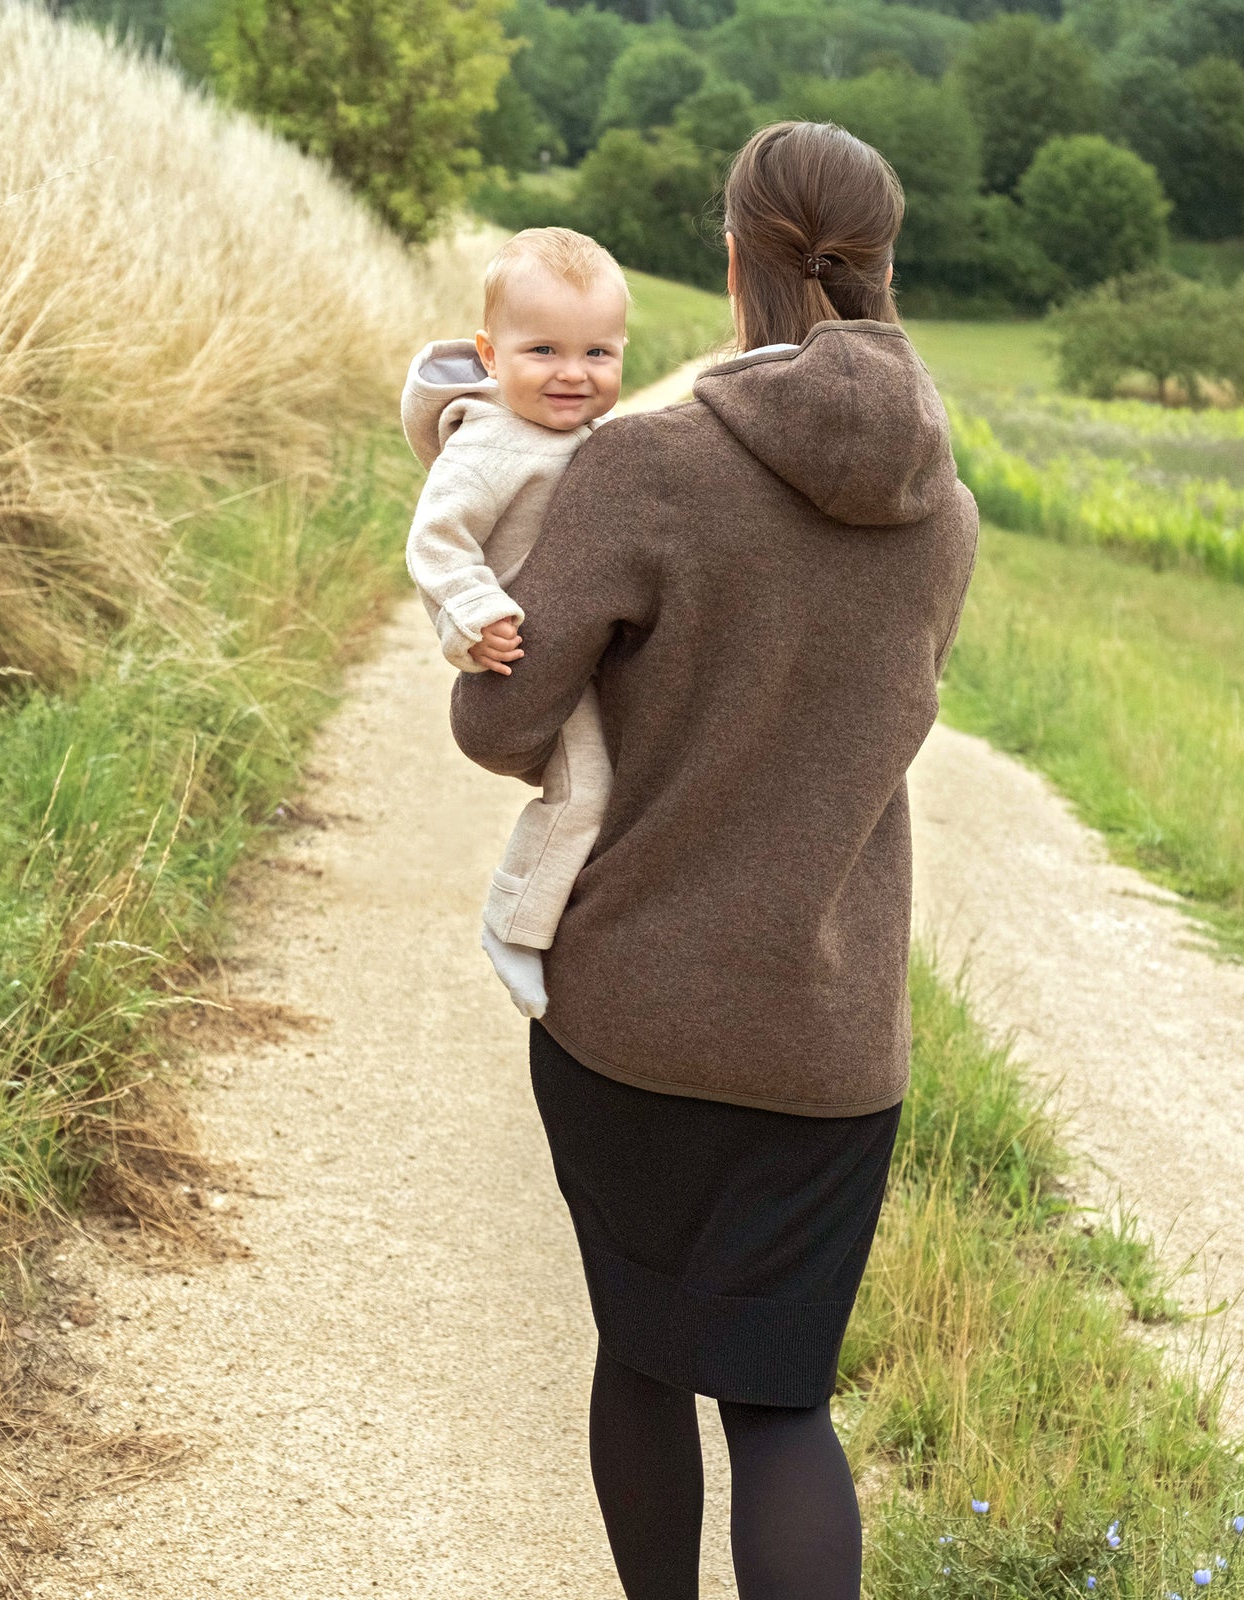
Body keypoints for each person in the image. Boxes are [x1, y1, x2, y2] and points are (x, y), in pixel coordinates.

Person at [450, 122, 980, 1599]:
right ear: (883, 265)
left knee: (645, 1352)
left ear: (733, 255)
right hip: (830, 1045)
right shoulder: (947, 518)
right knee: (784, 1403)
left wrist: (476, 560)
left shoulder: (646, 466)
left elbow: (500, 723)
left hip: (635, 1018)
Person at [401, 227, 631, 1021]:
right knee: (585, 790)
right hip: (530, 656)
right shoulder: (490, 443)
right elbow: (436, 540)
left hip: (587, 644)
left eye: (599, 354)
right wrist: (474, 617)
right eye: (544, 351)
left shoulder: (585, 435)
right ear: (490, 356)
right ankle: (515, 922)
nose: (574, 374)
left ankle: (585, 908)